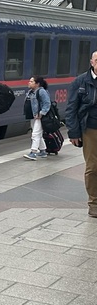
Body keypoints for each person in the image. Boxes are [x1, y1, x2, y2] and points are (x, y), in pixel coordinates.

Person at [65, 50, 97, 216]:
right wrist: (73, 132)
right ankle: (94, 203)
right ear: (91, 62)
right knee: (93, 167)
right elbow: (71, 109)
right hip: (90, 129)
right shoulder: (81, 82)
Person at [23, 75, 51, 160]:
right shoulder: (31, 92)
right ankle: (43, 151)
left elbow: (47, 103)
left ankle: (33, 153)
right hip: (33, 116)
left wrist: (41, 113)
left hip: (39, 117)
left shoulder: (41, 91)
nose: (29, 82)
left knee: (35, 134)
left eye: (31, 81)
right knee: (38, 134)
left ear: (37, 84)